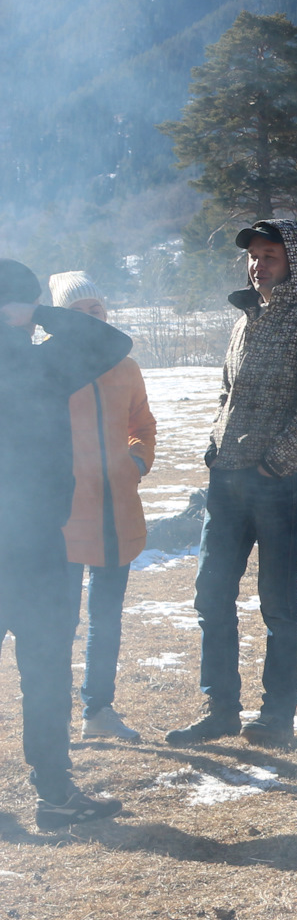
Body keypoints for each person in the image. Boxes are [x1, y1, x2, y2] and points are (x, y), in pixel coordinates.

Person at [168, 219, 297, 749]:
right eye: (254, 256)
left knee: (276, 604)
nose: (258, 264)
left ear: (296, 261)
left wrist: (276, 463)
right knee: (211, 593)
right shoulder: (248, 318)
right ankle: (220, 708)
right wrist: (215, 443)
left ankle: (276, 717)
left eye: (270, 255)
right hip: (226, 481)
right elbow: (228, 391)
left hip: (281, 485)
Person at [0, 259, 132, 828]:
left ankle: (55, 794)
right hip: (33, 550)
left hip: (38, 547)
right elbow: (109, 339)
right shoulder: (41, 364)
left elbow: (113, 340)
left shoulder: (38, 366)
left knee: (49, 671)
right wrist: (44, 312)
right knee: (47, 672)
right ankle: (54, 794)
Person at [50, 273, 156, 743]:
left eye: (96, 309)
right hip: (62, 517)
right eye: (78, 311)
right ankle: (52, 717)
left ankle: (99, 710)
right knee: (58, 620)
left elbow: (142, 424)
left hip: (117, 510)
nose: (91, 318)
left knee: (106, 618)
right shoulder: (43, 366)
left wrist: (136, 460)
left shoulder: (126, 367)